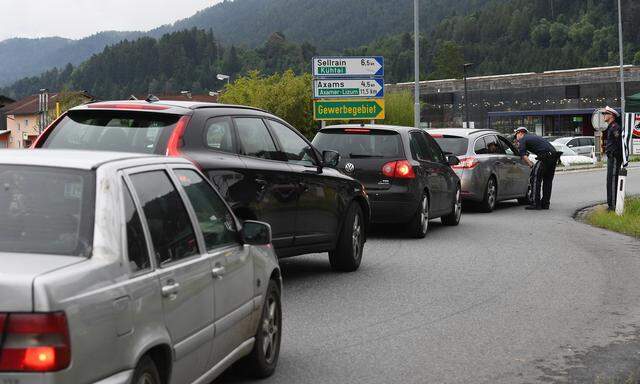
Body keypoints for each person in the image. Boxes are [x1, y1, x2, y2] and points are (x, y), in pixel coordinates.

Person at [514, 127, 559, 210]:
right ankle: (545, 203)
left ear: (520, 133)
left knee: (535, 178)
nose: (516, 138)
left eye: (516, 135)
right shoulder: (533, 137)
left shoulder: (523, 139)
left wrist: (531, 165)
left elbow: (523, 155)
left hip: (544, 157)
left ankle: (536, 203)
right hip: (554, 156)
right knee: (547, 180)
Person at [601, 106, 623, 211]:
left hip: (614, 157)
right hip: (611, 158)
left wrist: (615, 154)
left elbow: (619, 143)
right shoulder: (610, 127)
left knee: (613, 181)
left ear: (611, 116)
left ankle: (613, 206)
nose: (604, 116)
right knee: (609, 181)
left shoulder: (615, 127)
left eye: (605, 114)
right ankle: (611, 204)